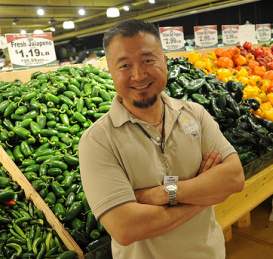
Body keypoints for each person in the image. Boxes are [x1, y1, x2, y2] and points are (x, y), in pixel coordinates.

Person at [78, 19, 245, 259]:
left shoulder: (195, 113)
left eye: (148, 60)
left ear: (165, 61)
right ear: (111, 72)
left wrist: (166, 193)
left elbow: (234, 178)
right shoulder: (97, 141)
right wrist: (204, 193)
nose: (138, 74)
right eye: (124, 65)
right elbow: (125, 228)